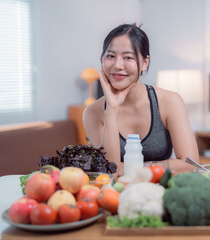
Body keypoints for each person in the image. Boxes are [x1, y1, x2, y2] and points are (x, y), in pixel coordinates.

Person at [83, 23, 199, 177]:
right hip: (117, 196)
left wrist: (134, 167)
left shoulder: (170, 102)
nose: (118, 65)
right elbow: (109, 172)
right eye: (110, 56)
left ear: (145, 62)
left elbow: (191, 164)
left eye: (128, 57)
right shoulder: (92, 113)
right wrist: (112, 108)